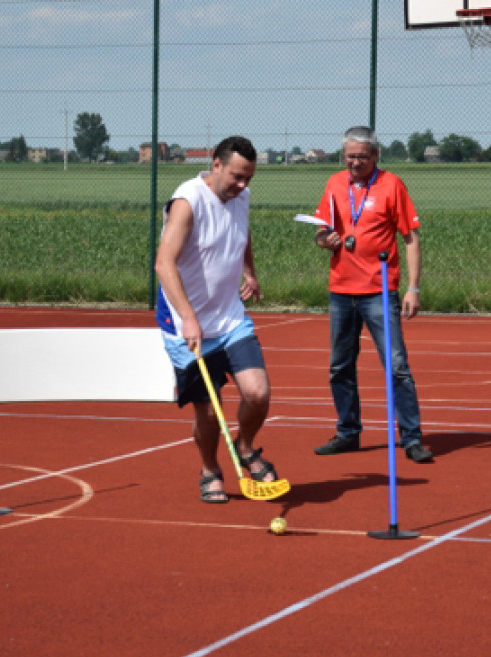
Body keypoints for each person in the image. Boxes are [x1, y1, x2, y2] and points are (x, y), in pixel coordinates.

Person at [154, 135, 280, 503]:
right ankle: (209, 469)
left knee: (258, 393)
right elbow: (164, 263)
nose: (242, 186)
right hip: (186, 326)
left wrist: (250, 272)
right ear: (216, 165)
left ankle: (245, 447)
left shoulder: (241, 196)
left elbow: (242, 233)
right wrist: (190, 318)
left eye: (249, 179)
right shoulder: (188, 201)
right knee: (209, 415)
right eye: (237, 177)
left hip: (229, 318)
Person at [311, 126, 433, 463]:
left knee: (396, 367)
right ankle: (347, 432)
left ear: (375, 156)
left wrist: (413, 287)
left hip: (379, 291)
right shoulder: (335, 184)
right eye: (349, 156)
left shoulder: (391, 184)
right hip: (341, 290)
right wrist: (325, 240)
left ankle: (411, 438)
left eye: (362, 157)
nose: (354, 163)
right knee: (340, 366)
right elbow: (322, 230)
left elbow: (410, 237)